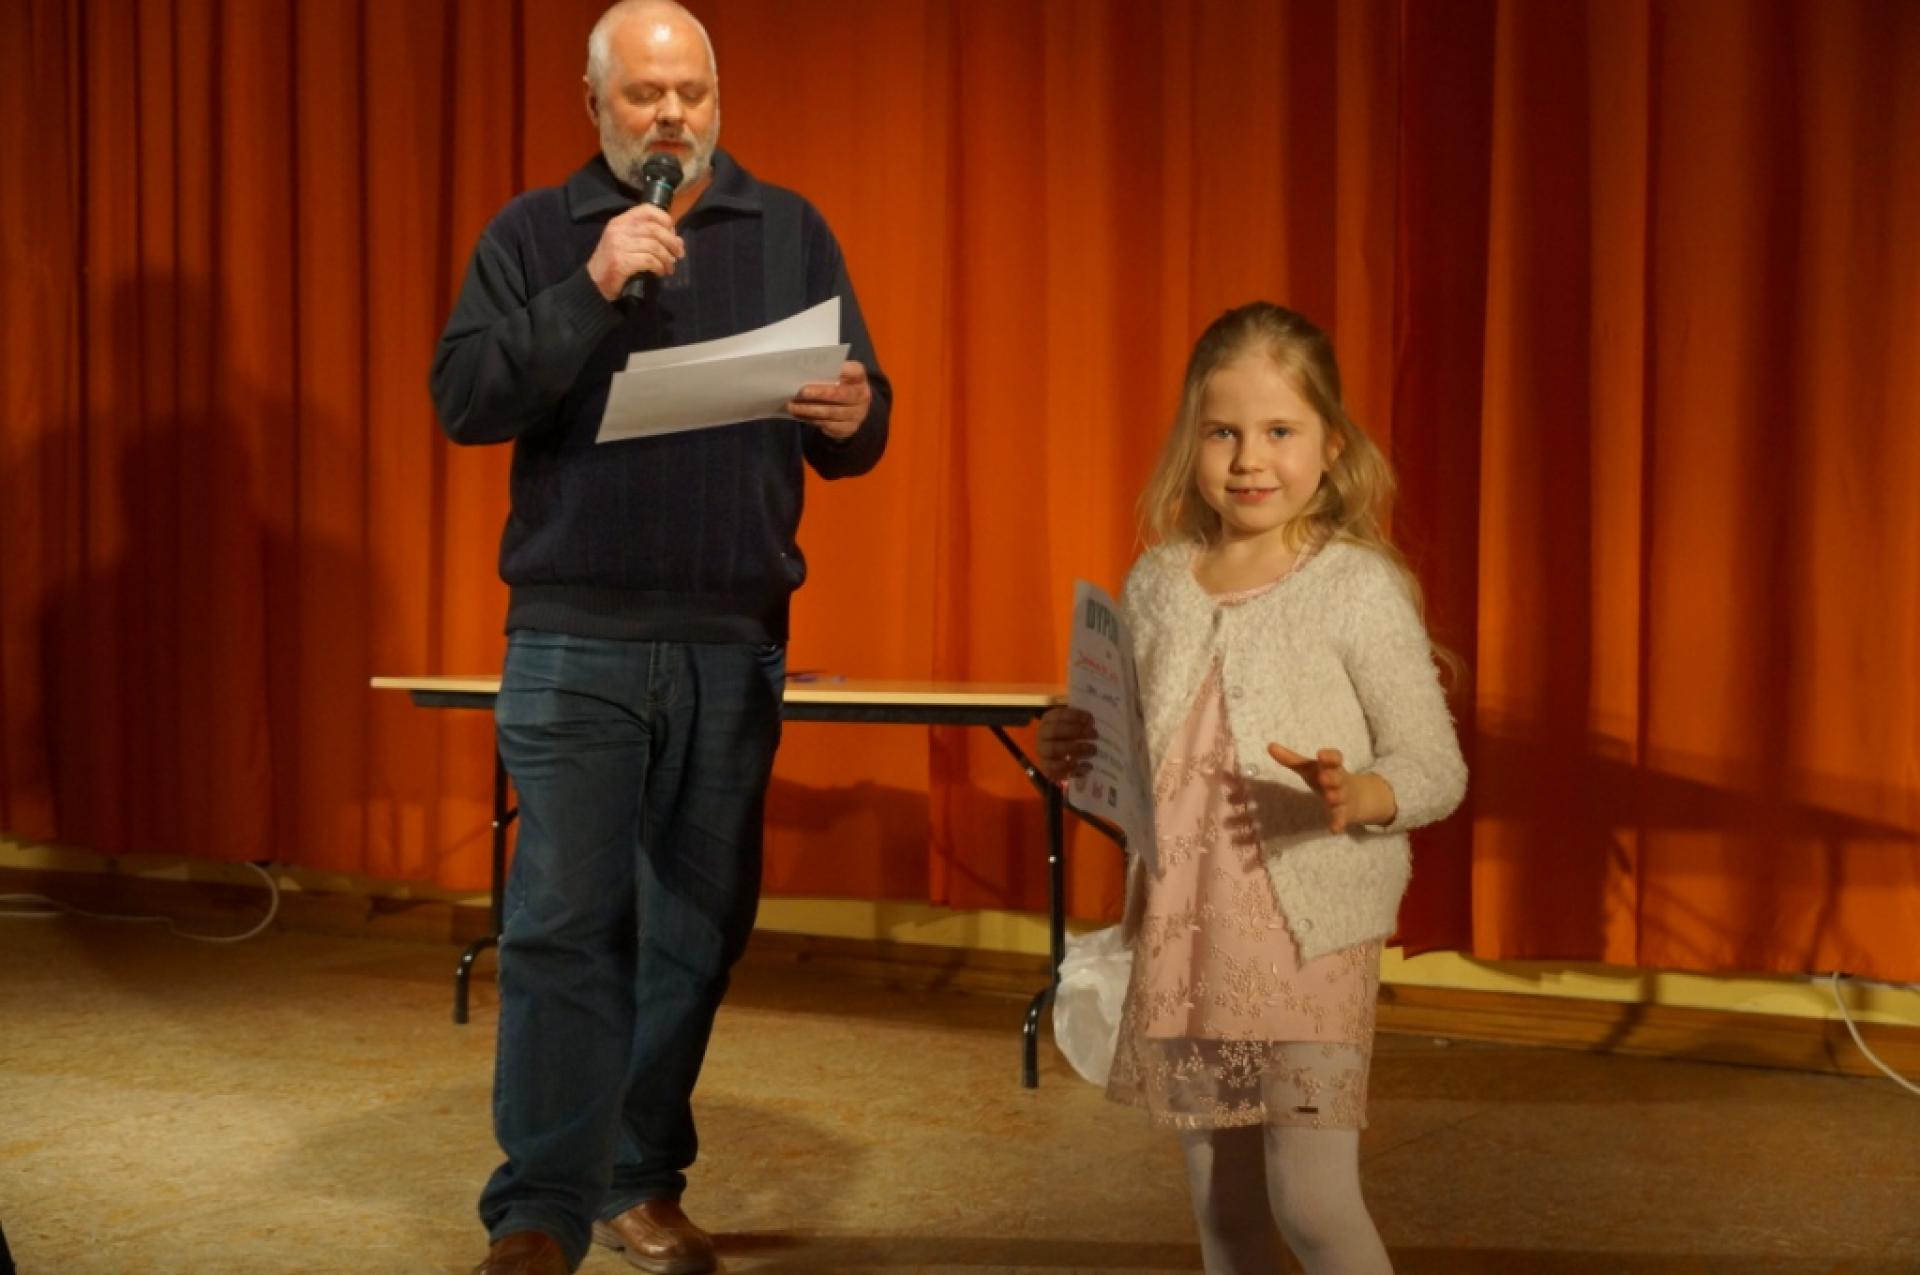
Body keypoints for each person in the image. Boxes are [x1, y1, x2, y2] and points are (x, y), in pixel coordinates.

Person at [428, 2, 890, 1271]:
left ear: (718, 97)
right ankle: (538, 1210)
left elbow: (863, 422)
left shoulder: (789, 229)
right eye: (645, 94)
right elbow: (466, 399)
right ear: (596, 106)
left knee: (695, 930)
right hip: (574, 639)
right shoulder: (535, 234)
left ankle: (636, 1178)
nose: (673, 114)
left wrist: (855, 413)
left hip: (731, 639)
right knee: (565, 925)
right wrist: (590, 287)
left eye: (693, 91)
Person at [1037, 303, 1464, 1274]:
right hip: (1187, 935)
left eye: (1279, 430)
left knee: (1312, 1202)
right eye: (1222, 432)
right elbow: (1135, 770)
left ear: (1331, 444)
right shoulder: (1157, 584)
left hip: (1308, 941)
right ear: (1190, 440)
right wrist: (1079, 747)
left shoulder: (1354, 586)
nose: (1248, 460)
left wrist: (1358, 793)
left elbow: (1435, 767)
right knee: (1222, 1208)